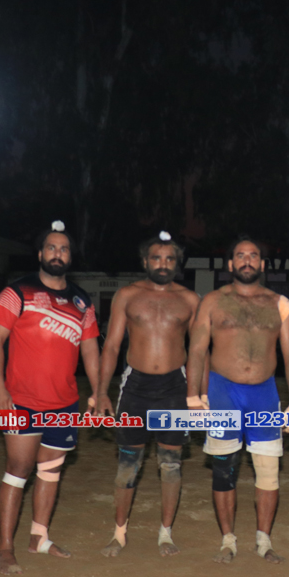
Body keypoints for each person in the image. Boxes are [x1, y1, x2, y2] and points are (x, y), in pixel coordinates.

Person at [0, 221, 101, 575]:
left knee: (51, 471)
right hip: (20, 399)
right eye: (51, 247)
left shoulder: (82, 301)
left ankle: (39, 538)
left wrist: (99, 391)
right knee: (18, 470)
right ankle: (5, 548)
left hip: (64, 402)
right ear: (39, 254)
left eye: (64, 249)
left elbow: (90, 350)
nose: (57, 254)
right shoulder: (16, 291)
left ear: (70, 257)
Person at [185, 236, 289, 564]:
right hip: (223, 391)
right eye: (240, 255)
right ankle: (228, 540)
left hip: (264, 393)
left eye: (253, 256)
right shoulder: (213, 301)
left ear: (262, 265)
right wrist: (193, 397)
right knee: (224, 469)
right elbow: (197, 349)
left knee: (268, 471)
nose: (247, 260)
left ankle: (264, 541)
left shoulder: (279, 303)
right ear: (230, 264)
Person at [93, 231, 200, 557]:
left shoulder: (190, 299)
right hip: (135, 387)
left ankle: (165, 533)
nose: (163, 264)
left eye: (169, 259)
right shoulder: (127, 295)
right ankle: (119, 533)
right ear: (145, 261)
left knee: (170, 464)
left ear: (177, 263)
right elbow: (112, 346)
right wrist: (101, 392)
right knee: (128, 463)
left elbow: (199, 352)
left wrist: (198, 396)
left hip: (174, 388)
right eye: (156, 258)